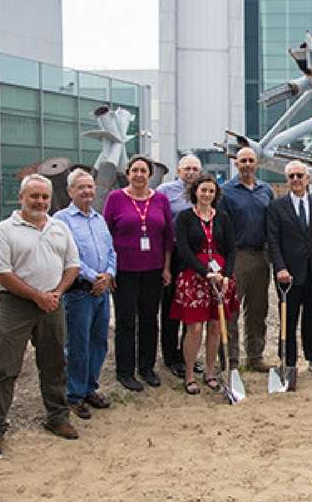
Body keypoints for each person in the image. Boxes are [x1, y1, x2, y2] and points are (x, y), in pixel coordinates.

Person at [0, 175, 78, 457]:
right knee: (4, 367)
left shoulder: (59, 228)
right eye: (34, 196)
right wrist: (37, 296)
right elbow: (1, 272)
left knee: (55, 362)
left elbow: (72, 265)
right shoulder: (4, 231)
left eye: (45, 197)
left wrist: (56, 293)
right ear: (21, 198)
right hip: (16, 304)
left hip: (53, 303)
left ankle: (57, 417)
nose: (41, 202)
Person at [101, 155, 171, 392]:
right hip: (124, 271)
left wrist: (166, 267)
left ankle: (147, 368)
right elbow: (105, 235)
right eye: (135, 170)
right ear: (128, 173)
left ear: (150, 175)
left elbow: (167, 237)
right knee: (126, 321)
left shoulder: (160, 199)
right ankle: (125, 371)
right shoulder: (115, 198)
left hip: (153, 270)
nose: (139, 175)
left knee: (150, 320)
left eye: (144, 171)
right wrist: (108, 270)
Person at [53, 168, 115, 416]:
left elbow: (111, 251)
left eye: (90, 187)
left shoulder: (99, 219)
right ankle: (74, 394)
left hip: (102, 292)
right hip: (79, 292)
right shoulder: (62, 220)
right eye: (81, 187)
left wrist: (109, 274)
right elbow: (68, 255)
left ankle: (90, 387)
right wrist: (93, 277)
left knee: (99, 342)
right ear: (70, 191)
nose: (87, 191)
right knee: (78, 344)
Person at [169, 173, 237, 395]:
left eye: (211, 191)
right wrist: (205, 272)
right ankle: (189, 374)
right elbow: (184, 250)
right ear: (195, 192)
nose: (207, 194)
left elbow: (230, 249)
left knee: (216, 327)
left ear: (215, 194)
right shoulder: (185, 217)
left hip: (219, 280)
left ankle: (209, 372)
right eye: (203, 190)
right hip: (194, 277)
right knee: (195, 329)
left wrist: (225, 275)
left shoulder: (223, 218)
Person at [265, 162, 312, 382]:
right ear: (286, 180)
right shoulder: (276, 207)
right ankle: (288, 361)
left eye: (299, 175)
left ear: (307, 178)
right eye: (291, 176)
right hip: (288, 274)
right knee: (288, 319)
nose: (295, 179)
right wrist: (280, 267)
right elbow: (273, 240)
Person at [220, 146, 273, 372]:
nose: (247, 165)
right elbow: (221, 227)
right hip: (237, 256)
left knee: (258, 309)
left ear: (257, 164)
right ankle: (230, 359)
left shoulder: (266, 190)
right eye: (243, 161)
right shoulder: (225, 191)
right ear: (236, 164)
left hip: (261, 255)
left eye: (251, 160)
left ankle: (255, 356)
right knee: (231, 309)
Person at [155, 153, 202, 377]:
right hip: (172, 255)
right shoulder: (165, 192)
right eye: (187, 168)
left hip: (196, 256)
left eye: (195, 169)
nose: (191, 172)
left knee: (191, 307)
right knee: (172, 307)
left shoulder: (203, 191)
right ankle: (171, 356)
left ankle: (188, 355)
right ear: (178, 171)